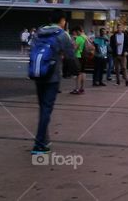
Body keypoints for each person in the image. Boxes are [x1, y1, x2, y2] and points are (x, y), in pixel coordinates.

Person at [30, 11, 76, 154]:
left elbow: (33, 49)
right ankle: (39, 145)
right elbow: (70, 56)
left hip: (38, 73)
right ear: (62, 20)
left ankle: (44, 140)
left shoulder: (39, 32)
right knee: (46, 109)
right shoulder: (62, 34)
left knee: (42, 107)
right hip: (52, 76)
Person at [70, 27, 88, 95]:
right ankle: (82, 88)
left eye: (74, 32)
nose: (73, 33)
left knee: (78, 73)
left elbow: (75, 48)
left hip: (78, 56)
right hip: (84, 56)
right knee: (83, 72)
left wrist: (73, 42)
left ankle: (77, 89)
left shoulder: (79, 38)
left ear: (77, 31)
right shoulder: (85, 37)